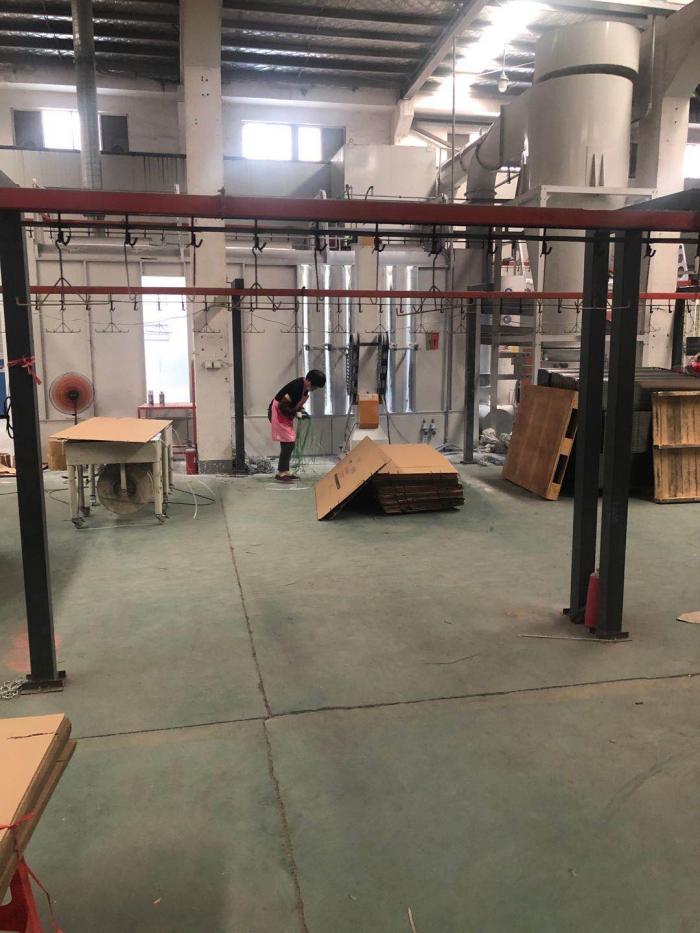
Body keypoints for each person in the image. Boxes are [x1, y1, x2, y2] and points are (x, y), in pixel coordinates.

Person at [268, 370, 326, 482]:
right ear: (309, 381)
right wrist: (296, 413)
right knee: (289, 442)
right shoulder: (296, 388)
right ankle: (281, 473)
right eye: (314, 386)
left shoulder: (305, 389)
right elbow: (282, 406)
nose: (314, 389)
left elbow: (295, 403)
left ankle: (285, 471)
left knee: (288, 443)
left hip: (285, 414)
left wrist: (300, 411)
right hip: (278, 412)